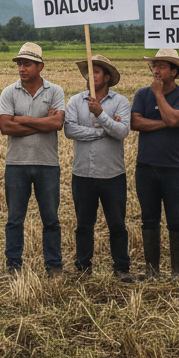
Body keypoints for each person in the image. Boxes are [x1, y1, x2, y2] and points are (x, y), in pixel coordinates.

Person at [0, 42, 65, 276]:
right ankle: (13, 264)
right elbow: (5, 127)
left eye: (27, 64)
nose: (21, 68)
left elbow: (57, 123)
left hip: (48, 164)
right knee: (15, 219)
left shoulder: (55, 91)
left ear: (40, 66)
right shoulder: (9, 92)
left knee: (51, 219)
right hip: (16, 164)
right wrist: (41, 124)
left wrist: (22, 119)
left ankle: (54, 265)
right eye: (19, 64)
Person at [62, 54, 132, 281]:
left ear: (107, 77)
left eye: (96, 72)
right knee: (83, 224)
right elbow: (70, 131)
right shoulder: (74, 101)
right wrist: (103, 129)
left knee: (117, 224)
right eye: (89, 72)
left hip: (113, 174)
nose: (91, 76)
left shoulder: (121, 102)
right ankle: (83, 266)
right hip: (82, 173)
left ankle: (121, 268)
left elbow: (122, 133)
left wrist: (100, 114)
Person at [130, 48, 179, 279]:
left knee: (176, 219)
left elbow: (177, 118)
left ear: (174, 71)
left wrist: (159, 96)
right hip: (145, 167)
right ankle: (152, 270)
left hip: (174, 168)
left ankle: (177, 271)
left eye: (162, 66)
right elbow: (135, 122)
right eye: (154, 65)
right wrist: (168, 122)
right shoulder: (141, 94)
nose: (156, 70)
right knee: (149, 218)